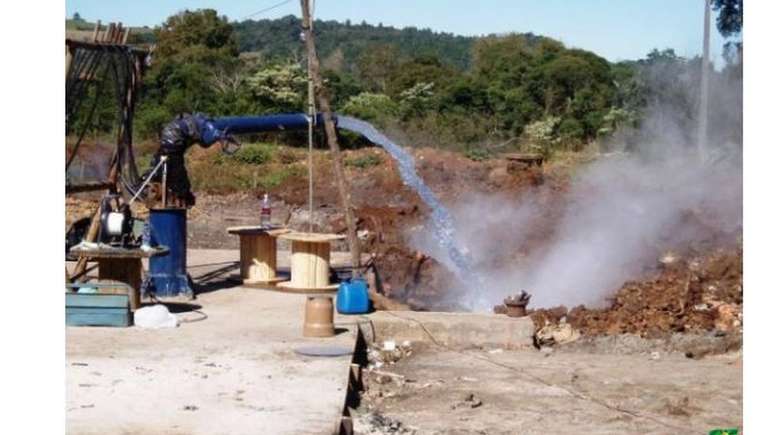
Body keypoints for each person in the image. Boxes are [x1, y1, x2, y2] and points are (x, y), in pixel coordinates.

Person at [145, 113, 237, 207]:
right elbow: (206, 140)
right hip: (173, 147)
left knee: (166, 172)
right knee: (177, 178)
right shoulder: (200, 126)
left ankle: (175, 198)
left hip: (170, 146)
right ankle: (179, 198)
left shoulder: (186, 126)